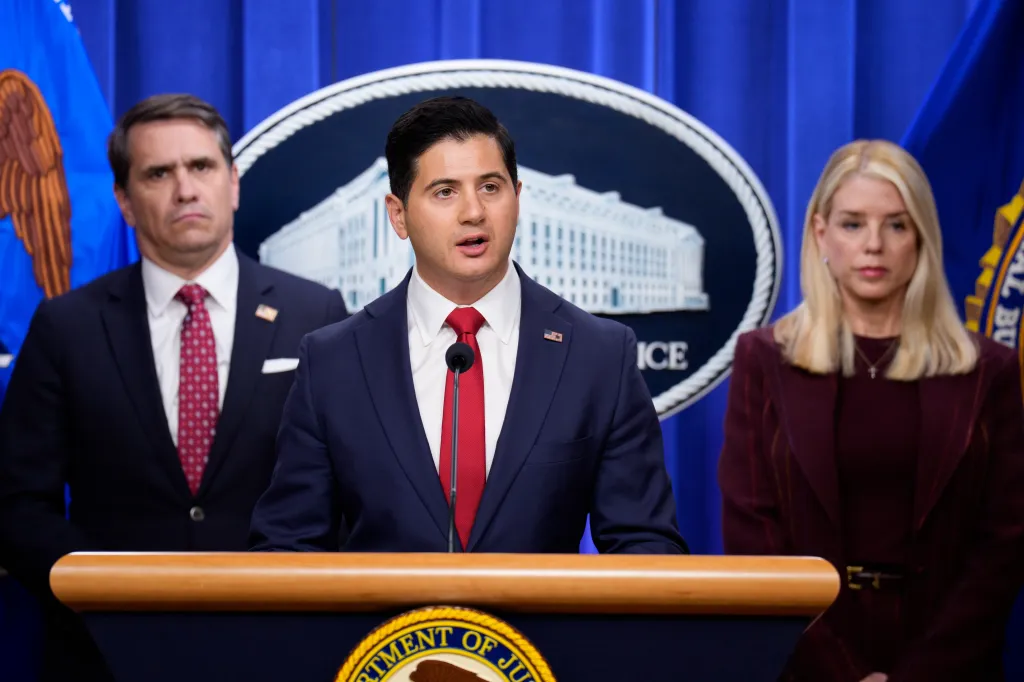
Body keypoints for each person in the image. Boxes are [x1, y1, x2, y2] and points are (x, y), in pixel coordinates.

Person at [0, 93, 348, 679]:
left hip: (279, 646)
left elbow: (349, 487)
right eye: (158, 173)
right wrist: (103, 587)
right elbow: (14, 504)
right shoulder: (67, 327)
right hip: (105, 651)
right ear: (125, 202)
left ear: (233, 183)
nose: (185, 190)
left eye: (202, 168)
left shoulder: (315, 313)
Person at [249, 95, 686, 555]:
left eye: (491, 187)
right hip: (388, 629)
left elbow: (646, 547)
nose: (473, 212)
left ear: (518, 198)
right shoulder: (333, 361)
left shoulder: (598, 356)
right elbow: (287, 548)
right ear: (398, 215)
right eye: (445, 191)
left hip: (539, 630)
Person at [718, 139, 1024, 682]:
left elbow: (1004, 544)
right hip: (806, 662)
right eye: (853, 224)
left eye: (897, 225)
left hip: (952, 663)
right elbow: (754, 537)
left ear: (922, 238)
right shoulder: (763, 360)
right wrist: (840, 672)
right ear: (821, 234)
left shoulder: (990, 371)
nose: (874, 246)